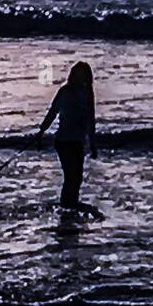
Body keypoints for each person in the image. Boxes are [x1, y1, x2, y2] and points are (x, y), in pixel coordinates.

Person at [37, 61, 98, 210]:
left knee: (76, 177)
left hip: (78, 140)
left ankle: (70, 204)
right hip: (64, 140)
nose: (80, 78)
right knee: (71, 176)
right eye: (78, 74)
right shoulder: (65, 92)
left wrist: (93, 143)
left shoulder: (88, 93)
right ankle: (67, 205)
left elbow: (91, 118)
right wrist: (42, 131)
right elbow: (53, 112)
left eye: (83, 75)